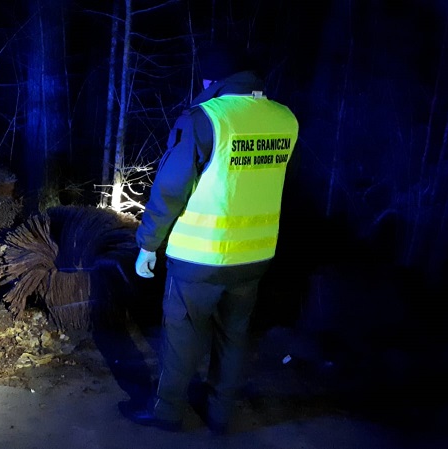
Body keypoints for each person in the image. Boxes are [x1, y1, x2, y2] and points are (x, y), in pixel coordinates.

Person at [119, 42, 299, 434]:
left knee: (182, 335)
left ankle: (168, 412)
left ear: (213, 80)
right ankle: (220, 413)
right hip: (255, 256)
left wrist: (148, 243)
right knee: (233, 337)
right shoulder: (285, 118)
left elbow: (171, 189)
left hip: (199, 256)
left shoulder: (206, 119)